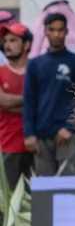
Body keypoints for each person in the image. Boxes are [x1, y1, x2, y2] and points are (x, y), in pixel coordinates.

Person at [23, 12, 75, 176]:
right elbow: (29, 100)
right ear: (45, 31)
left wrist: (70, 127)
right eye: (52, 30)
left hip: (68, 135)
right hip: (41, 136)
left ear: (67, 31)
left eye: (60, 30)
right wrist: (29, 134)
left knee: (71, 187)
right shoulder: (35, 64)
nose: (56, 34)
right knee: (45, 191)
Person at [0, 12, 34, 187]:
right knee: (7, 202)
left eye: (13, 40)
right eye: (5, 41)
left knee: (34, 200)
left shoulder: (37, 70)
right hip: (7, 145)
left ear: (26, 44)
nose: (7, 45)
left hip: (35, 144)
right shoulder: (1, 72)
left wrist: (14, 103)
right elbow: (2, 101)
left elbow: (44, 104)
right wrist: (31, 102)